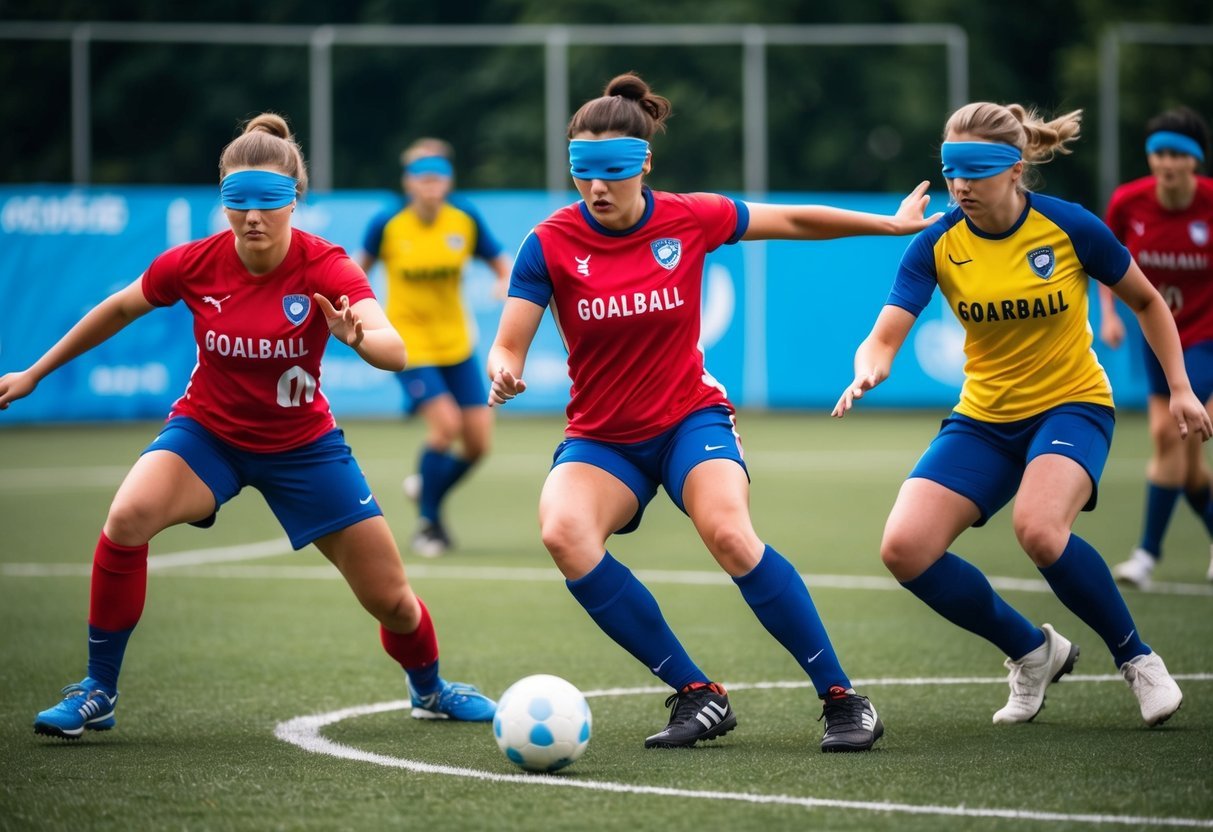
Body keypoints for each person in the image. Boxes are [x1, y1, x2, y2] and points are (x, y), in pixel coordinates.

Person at [0, 113, 496, 740]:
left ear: (296, 200)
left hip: (304, 448)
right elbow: (119, 307)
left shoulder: (326, 266)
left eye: (269, 200)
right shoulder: (193, 263)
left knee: (392, 600)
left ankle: (431, 689)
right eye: (238, 200)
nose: (253, 215)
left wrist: (358, 338)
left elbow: (394, 348)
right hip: (208, 435)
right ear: (223, 199)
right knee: (127, 518)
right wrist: (36, 372)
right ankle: (97, 689)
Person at [487, 72, 941, 753]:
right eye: (583, 170)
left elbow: (788, 220)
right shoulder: (548, 243)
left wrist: (885, 224)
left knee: (729, 533)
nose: (596, 186)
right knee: (563, 533)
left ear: (643, 162)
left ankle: (843, 699)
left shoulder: (687, 218)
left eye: (611, 169)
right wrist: (504, 371)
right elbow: (507, 343)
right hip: (603, 439)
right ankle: (697, 694)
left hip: (688, 420)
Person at [832, 101, 1210, 728]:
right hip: (985, 418)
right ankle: (1032, 651)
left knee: (1039, 529)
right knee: (904, 549)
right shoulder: (938, 243)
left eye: (975, 171)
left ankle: (1137, 660)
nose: (960, 185)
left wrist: (1180, 387)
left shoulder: (1069, 227)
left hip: (1073, 405)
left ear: (1014, 170)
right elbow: (883, 334)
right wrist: (869, 364)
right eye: (952, 170)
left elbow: (1147, 302)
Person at [358, 138, 511, 558]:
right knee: (445, 426)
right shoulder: (388, 223)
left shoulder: (464, 219)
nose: (430, 186)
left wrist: (503, 282)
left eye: (438, 178)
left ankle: (428, 491)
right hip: (409, 344)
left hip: (457, 342)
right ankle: (429, 524)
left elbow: (502, 263)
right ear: (409, 182)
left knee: (478, 444)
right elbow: (354, 273)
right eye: (422, 178)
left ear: (448, 182)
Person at [1097, 107, 1213, 588]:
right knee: (1181, 454)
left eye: (1176, 154)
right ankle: (1153, 552)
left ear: (1194, 161)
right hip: (1156, 338)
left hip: (1207, 335)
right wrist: (1107, 315)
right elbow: (1105, 258)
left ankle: (1145, 555)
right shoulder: (1129, 203)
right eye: (1158, 153)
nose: (1165, 162)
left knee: (1174, 435)